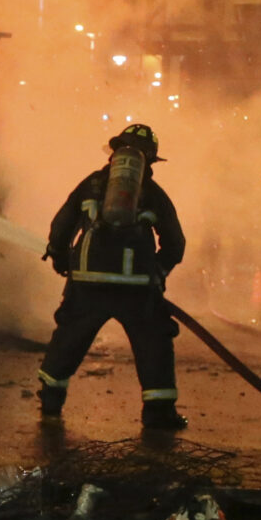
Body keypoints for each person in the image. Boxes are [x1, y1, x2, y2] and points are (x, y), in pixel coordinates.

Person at [38, 122, 188, 432]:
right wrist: (157, 271)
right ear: (150, 160)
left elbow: (61, 226)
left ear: (114, 152)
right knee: (154, 344)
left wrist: (62, 259)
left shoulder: (91, 184)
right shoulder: (153, 193)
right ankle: (159, 414)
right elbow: (175, 242)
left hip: (88, 282)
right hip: (136, 287)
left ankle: (51, 401)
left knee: (69, 339)